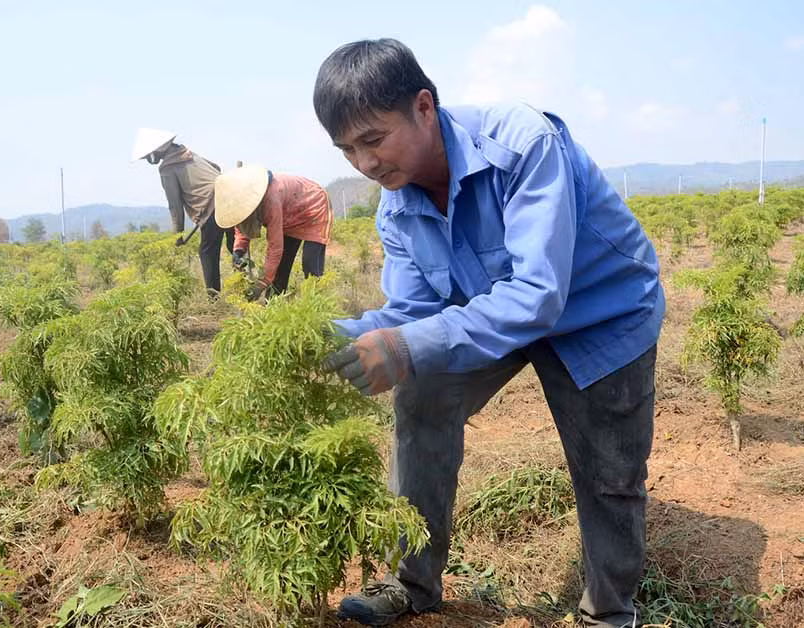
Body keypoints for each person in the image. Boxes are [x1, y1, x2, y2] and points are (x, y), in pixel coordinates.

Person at [314, 39, 664, 627]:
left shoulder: (524, 144)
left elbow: (537, 296)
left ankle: (607, 610)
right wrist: (328, 335)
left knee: (609, 473)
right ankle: (412, 583)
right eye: (347, 149)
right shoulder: (396, 208)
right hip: (487, 310)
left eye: (374, 139)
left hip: (601, 312)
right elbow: (413, 308)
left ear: (424, 107)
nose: (365, 164)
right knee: (421, 394)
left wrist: (405, 346)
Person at [131, 128, 235, 295]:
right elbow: (215, 167)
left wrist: (177, 235)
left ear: (156, 150)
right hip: (230, 196)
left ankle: (214, 299)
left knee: (207, 251)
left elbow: (175, 205)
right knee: (235, 246)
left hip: (211, 207)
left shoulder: (167, 168)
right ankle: (246, 287)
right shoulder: (188, 153)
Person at [214, 165, 332, 300]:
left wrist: (262, 283)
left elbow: (275, 248)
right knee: (281, 266)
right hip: (289, 214)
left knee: (310, 266)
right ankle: (273, 308)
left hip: (313, 207)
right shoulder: (242, 201)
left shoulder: (270, 199)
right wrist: (238, 250)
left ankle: (317, 307)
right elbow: (242, 224)